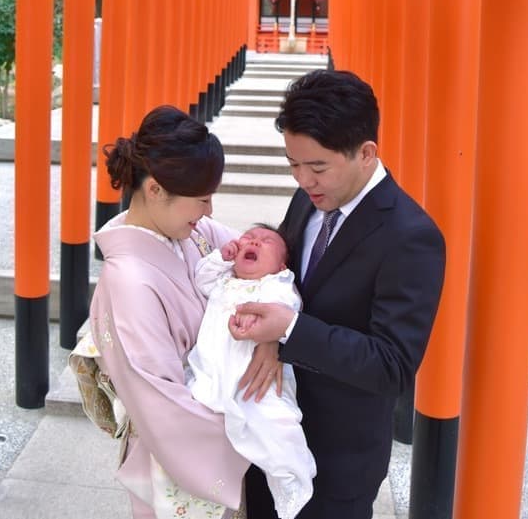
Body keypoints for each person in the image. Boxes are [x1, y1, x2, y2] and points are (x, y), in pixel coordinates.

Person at [229, 69, 446, 519]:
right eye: (293, 164)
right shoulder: (308, 199)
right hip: (268, 440)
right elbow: (286, 284)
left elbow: (392, 366)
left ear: (366, 153)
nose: (304, 179)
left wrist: (289, 329)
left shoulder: (411, 236)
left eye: (317, 166)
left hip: (338, 462)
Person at [87, 105, 278, 519]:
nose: (209, 212)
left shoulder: (195, 234)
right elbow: (163, 406)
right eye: (202, 199)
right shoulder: (129, 285)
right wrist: (256, 431)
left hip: (221, 418)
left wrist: (271, 337)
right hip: (177, 456)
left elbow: (266, 266)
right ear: (155, 189)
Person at [187, 225, 316, 519]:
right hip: (214, 366)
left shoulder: (277, 283)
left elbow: (289, 305)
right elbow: (201, 279)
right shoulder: (223, 280)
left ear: (281, 265)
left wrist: (262, 324)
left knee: (276, 421)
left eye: (267, 241)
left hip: (255, 373)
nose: (255, 240)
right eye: (248, 237)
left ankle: (291, 480)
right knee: (201, 403)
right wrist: (221, 258)